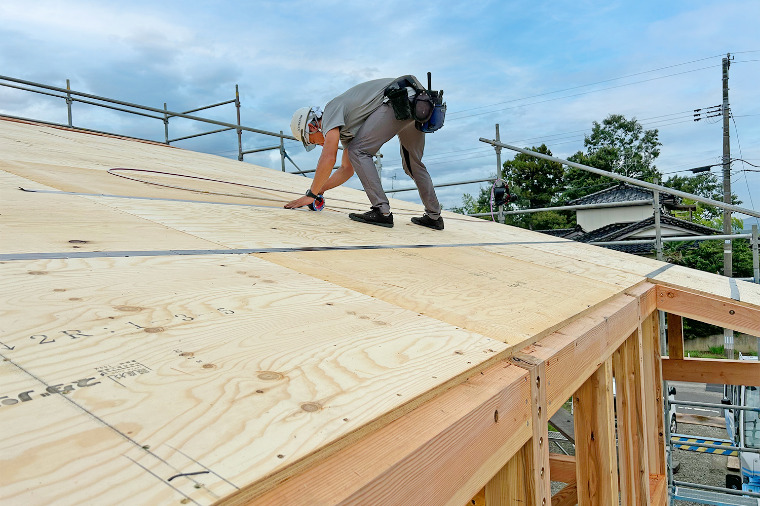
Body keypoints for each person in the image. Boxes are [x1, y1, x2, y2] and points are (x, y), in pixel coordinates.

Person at [284, 76, 444, 230]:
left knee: (358, 150)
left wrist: (311, 194)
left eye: (313, 141)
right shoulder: (347, 130)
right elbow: (347, 169)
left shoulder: (330, 111)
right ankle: (434, 217)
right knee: (412, 164)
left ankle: (382, 211)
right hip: (417, 100)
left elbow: (328, 157)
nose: (319, 144)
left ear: (312, 127)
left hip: (397, 98)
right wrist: (320, 190)